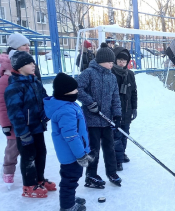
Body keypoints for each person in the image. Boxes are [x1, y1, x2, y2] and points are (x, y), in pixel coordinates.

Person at [5, 51, 56, 197]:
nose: (33, 65)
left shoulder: (36, 82)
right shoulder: (14, 87)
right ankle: (29, 185)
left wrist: (46, 113)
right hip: (25, 131)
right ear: (20, 67)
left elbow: (45, 99)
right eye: (29, 63)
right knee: (29, 157)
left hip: (38, 126)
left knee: (41, 153)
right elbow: (14, 113)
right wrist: (23, 132)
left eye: (33, 62)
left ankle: (39, 180)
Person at [77, 43, 123, 188]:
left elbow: (116, 97)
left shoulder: (112, 77)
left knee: (109, 148)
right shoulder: (88, 73)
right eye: (110, 61)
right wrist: (90, 103)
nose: (112, 64)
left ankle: (112, 172)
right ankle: (91, 176)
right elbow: (77, 88)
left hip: (106, 119)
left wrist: (117, 115)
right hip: (91, 121)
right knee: (93, 149)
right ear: (101, 60)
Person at [43, 73, 91, 211]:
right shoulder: (66, 109)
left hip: (72, 152)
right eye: (74, 89)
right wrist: (80, 154)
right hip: (71, 154)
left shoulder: (68, 104)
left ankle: (69, 198)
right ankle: (67, 206)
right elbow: (71, 136)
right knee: (70, 180)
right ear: (65, 92)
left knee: (72, 178)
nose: (77, 92)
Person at [111, 46, 138, 171]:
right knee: (116, 135)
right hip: (114, 111)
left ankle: (122, 153)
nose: (122, 63)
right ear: (115, 60)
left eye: (124, 61)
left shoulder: (130, 74)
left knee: (125, 133)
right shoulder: (111, 74)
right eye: (120, 60)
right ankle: (117, 159)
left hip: (127, 110)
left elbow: (133, 92)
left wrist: (134, 108)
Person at [0, 51, 19, 190]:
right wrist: (5, 124)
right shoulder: (5, 80)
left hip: (25, 121)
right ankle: (8, 173)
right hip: (12, 122)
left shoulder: (23, 77)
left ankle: (31, 174)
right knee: (12, 148)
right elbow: (2, 105)